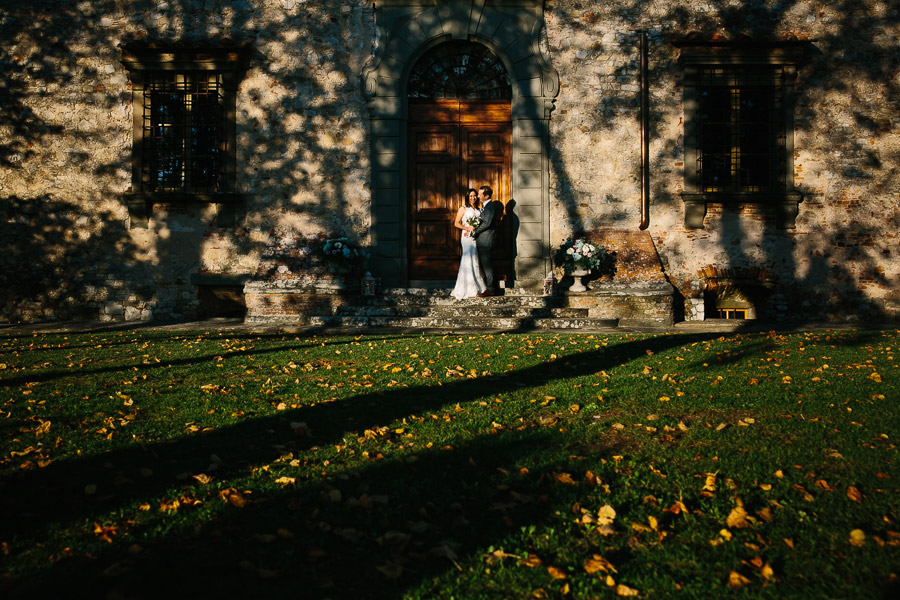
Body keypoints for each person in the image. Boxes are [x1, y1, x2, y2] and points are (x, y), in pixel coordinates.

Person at [450, 188, 486, 299]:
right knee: (467, 259)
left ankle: (476, 286)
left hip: (475, 237)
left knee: (475, 259)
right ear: (467, 197)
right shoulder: (463, 208)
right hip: (466, 237)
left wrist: (475, 228)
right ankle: (466, 287)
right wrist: (466, 228)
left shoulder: (479, 209)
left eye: (474, 195)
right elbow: (456, 223)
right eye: (470, 196)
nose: (473, 198)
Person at [471, 184, 500, 297]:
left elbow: (487, 223)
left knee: (487, 265)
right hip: (482, 240)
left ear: (487, 196)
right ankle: (491, 287)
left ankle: (491, 289)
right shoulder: (485, 206)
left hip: (486, 240)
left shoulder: (490, 207)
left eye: (479, 194)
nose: (478, 196)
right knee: (486, 264)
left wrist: (475, 231)